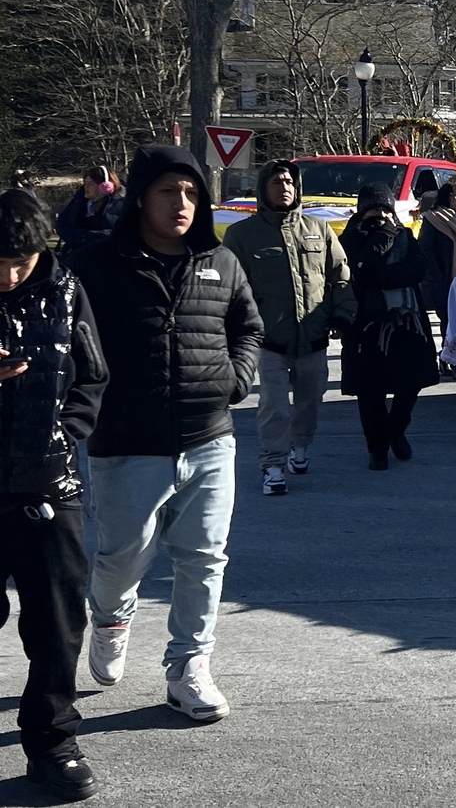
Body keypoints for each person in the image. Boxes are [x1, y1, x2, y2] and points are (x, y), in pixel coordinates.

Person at [69, 147, 262, 723]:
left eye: (191, 193)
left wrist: (237, 378)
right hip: (127, 442)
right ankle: (110, 615)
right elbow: (70, 344)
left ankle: (189, 667)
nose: (181, 204)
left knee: (203, 557)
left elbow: (247, 326)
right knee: (122, 555)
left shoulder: (220, 262)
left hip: (209, 436)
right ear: (139, 198)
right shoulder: (97, 266)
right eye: (167, 192)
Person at [0, 189, 109, 802]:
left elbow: (92, 374)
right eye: (0, 262)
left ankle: (53, 739)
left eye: (22, 261)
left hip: (49, 480)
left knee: (59, 619)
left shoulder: (66, 288)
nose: (11, 275)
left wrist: (66, 434)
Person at [224, 160, 356, 496]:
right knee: (275, 406)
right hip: (268, 341)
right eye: (276, 182)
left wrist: (342, 315)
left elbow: (340, 275)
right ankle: (272, 465)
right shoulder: (242, 235)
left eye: (289, 182)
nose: (284, 187)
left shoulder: (318, 230)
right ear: (262, 189)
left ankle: (300, 446)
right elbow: (231, 288)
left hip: (312, 337)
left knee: (310, 402)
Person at [340, 184, 437, 470]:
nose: (380, 215)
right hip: (365, 326)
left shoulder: (404, 236)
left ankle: (397, 428)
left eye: (385, 209)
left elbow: (418, 269)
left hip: (407, 323)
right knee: (370, 392)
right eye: (374, 210)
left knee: (412, 382)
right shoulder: (350, 239)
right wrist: (377, 238)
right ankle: (377, 448)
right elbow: (358, 271)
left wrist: (383, 275)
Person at [417, 181, 456, 379]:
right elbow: (426, 251)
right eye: (455, 195)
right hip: (444, 280)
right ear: (445, 198)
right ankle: (452, 361)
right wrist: (436, 279)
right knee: (450, 322)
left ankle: (449, 358)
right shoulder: (433, 220)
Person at [55, 166, 125, 261]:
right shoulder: (78, 202)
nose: (86, 187)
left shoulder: (121, 205)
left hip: (108, 260)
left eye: (90, 184)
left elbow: (120, 234)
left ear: (105, 186)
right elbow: (62, 225)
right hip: (77, 259)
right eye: (85, 184)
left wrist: (85, 237)